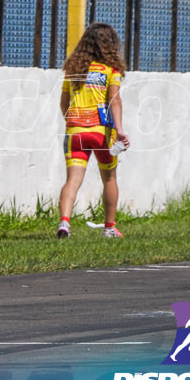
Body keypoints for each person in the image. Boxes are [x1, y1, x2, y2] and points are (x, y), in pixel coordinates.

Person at [56, 22, 129, 239]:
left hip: (75, 132)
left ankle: (65, 223)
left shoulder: (73, 70)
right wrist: (120, 130)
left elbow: (64, 102)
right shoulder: (110, 71)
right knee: (109, 179)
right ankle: (109, 228)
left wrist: (72, 123)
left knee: (72, 180)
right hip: (101, 133)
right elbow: (115, 101)